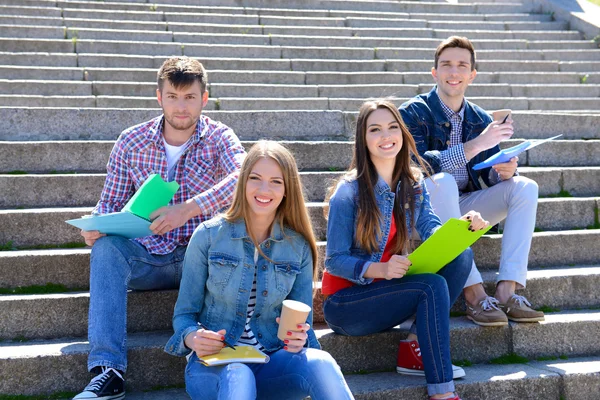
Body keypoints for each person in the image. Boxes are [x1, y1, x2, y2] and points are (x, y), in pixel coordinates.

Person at [73, 57, 246, 400]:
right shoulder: (131, 141)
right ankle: (108, 371)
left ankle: (231, 356)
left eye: (189, 97)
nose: (181, 107)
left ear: (204, 98)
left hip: (198, 260)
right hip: (146, 258)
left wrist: (190, 209)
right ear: (159, 97)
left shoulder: (219, 137)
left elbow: (243, 176)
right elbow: (109, 201)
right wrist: (95, 225)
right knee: (106, 248)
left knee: (230, 243)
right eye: (172, 97)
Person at [322, 99, 488, 400]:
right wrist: (380, 269)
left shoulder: (413, 182)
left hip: (385, 292)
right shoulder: (348, 192)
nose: (386, 136)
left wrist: (461, 227)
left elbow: (430, 226)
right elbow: (333, 261)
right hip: (345, 304)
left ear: (402, 132)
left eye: (392, 127)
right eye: (375, 129)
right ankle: (442, 392)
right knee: (430, 286)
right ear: (363, 139)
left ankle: (415, 347)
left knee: (460, 254)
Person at [164, 140, 354, 400]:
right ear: (243, 182)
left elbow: (303, 326)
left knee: (321, 362)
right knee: (239, 373)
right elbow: (184, 315)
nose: (265, 189)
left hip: (271, 365)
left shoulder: (297, 246)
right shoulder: (208, 236)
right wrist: (192, 337)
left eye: (276, 181)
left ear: (287, 189)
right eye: (256, 178)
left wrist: (299, 338)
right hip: (215, 368)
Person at [399, 36, 544, 327]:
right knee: (443, 182)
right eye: (446, 65)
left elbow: (484, 172)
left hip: (466, 206)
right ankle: (475, 295)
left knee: (525, 186)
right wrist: (476, 144)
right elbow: (415, 168)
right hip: (419, 210)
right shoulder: (411, 112)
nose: (454, 72)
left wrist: (502, 172)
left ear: (472, 74)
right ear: (434, 72)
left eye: (462, 65)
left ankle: (507, 291)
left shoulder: (480, 117)